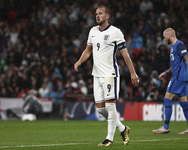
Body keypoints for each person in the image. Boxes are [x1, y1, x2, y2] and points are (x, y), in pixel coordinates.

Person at [74, 5, 139, 146]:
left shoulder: (116, 32)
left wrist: (133, 72)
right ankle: (123, 128)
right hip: (96, 75)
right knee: (101, 109)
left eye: (101, 13)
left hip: (110, 73)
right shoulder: (92, 31)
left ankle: (109, 138)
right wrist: (79, 61)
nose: (97, 16)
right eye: (96, 13)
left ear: (107, 16)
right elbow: (88, 50)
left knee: (110, 107)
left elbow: (125, 54)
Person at [153, 28, 188, 134]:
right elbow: (176, 64)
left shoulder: (179, 44)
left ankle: (165, 127)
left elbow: (187, 59)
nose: (164, 39)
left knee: (167, 99)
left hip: (178, 77)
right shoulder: (173, 47)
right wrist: (166, 72)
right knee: (183, 103)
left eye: (165, 36)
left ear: (169, 34)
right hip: (180, 77)